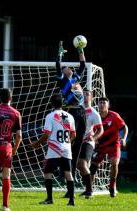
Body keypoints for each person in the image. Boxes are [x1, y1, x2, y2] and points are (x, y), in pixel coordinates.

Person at [31, 93, 76, 206]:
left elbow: (46, 134)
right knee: (68, 173)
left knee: (47, 172)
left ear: (51, 104)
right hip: (66, 148)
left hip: (54, 148)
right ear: (63, 104)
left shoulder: (50, 116)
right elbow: (74, 134)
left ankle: (50, 199)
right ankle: (71, 200)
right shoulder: (69, 116)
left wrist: (37, 143)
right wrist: (67, 143)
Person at [56, 40, 86, 187]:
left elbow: (82, 66)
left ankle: (73, 175)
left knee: (78, 144)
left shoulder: (76, 79)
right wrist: (60, 53)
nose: (70, 68)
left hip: (82, 113)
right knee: (69, 145)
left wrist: (80, 50)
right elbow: (57, 65)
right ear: (64, 71)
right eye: (67, 67)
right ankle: (64, 173)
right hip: (72, 113)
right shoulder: (62, 81)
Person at [0, 88, 22, 211]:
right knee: (6, 175)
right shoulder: (16, 113)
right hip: (6, 146)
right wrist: (15, 148)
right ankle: (5, 206)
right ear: (11, 98)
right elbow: (19, 136)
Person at [89, 97, 128, 197]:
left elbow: (124, 127)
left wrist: (124, 138)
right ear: (98, 105)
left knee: (114, 163)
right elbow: (91, 130)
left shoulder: (114, 116)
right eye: (100, 103)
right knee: (93, 166)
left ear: (108, 105)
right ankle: (89, 189)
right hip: (100, 145)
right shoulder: (94, 116)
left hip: (113, 144)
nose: (102, 105)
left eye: (104, 103)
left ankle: (112, 186)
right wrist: (93, 139)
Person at [78, 89, 103, 198]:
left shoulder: (94, 113)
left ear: (91, 98)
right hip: (77, 141)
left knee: (82, 163)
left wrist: (93, 138)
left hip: (88, 142)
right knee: (78, 166)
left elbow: (100, 130)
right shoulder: (78, 110)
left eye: (87, 94)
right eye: (83, 94)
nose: (85, 96)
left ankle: (89, 190)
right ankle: (87, 188)